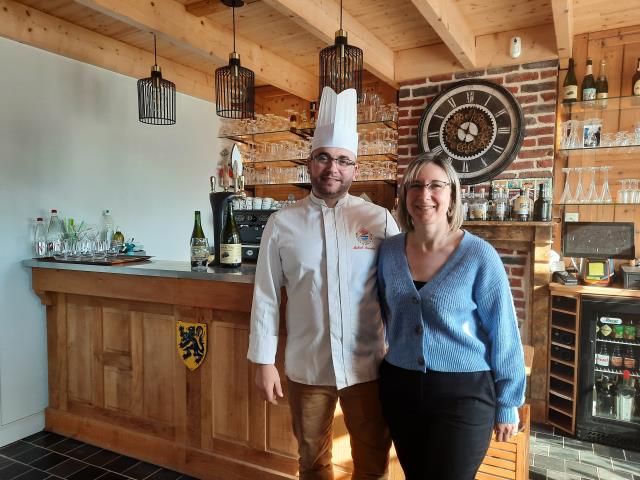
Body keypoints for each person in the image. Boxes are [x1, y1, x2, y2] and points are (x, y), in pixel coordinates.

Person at [247, 86, 399, 480]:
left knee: (372, 463)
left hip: (368, 366)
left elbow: (400, 293)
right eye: (324, 158)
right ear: (309, 162)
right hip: (307, 367)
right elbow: (266, 293)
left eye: (343, 161)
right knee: (312, 462)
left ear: (356, 169)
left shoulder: (378, 220)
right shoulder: (282, 224)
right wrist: (264, 362)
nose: (333, 168)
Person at [377, 153, 526, 480]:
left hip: (464, 393)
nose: (424, 194)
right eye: (414, 185)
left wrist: (508, 401)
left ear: (452, 195)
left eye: (435, 185)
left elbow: (504, 332)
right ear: (404, 195)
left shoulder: (478, 255)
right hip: (400, 387)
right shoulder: (388, 252)